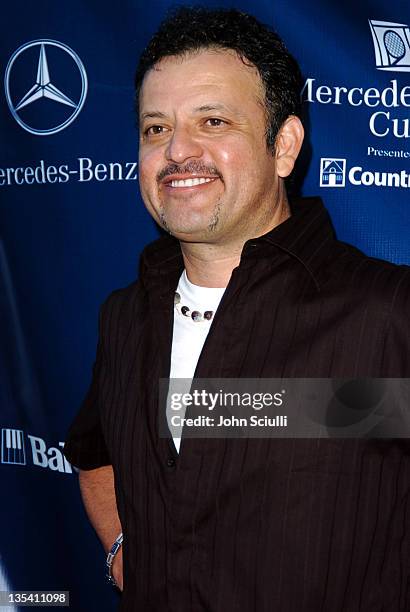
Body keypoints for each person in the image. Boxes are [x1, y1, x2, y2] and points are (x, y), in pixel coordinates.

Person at [63, 7, 410, 611]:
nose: (176, 151)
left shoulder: (384, 315)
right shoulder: (125, 317)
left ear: (285, 146)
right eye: (154, 128)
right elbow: (92, 452)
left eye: (213, 121)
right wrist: (122, 551)